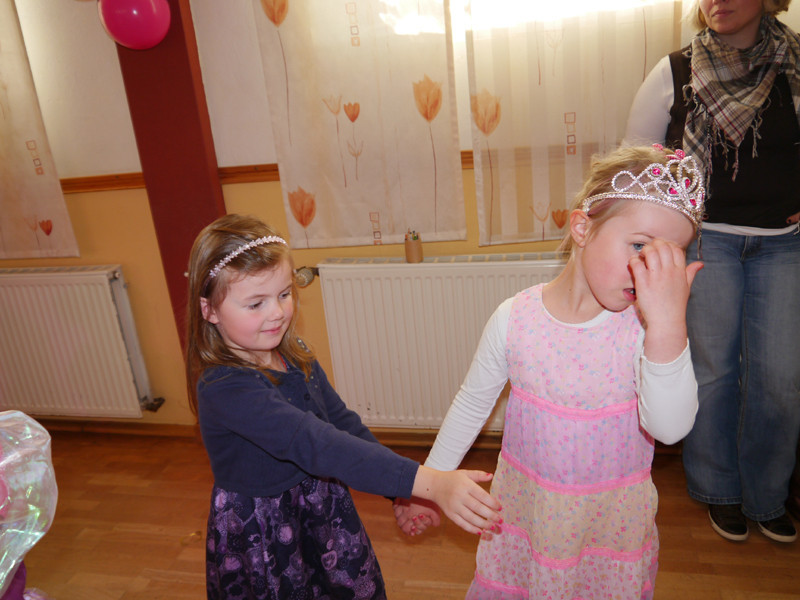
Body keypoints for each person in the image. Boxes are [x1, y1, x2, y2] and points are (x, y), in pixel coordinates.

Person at [395, 145, 703, 599]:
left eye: (670, 256)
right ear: (582, 228)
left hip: (609, 529)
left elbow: (671, 428)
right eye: (639, 246)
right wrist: (430, 485)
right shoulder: (514, 318)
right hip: (528, 519)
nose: (649, 271)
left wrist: (668, 326)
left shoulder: (650, 331)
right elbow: (472, 403)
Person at [184, 213, 502, 600]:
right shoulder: (224, 387)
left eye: (284, 294)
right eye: (256, 304)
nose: (277, 313)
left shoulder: (293, 354)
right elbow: (317, 443)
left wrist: (403, 493)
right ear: (209, 310)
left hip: (322, 511)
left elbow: (341, 424)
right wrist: (432, 484)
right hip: (263, 535)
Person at [624, 0, 800, 543]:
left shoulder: (794, 62)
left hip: (784, 245)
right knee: (713, 373)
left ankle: (767, 496)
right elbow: (638, 162)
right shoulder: (676, 71)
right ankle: (719, 490)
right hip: (706, 242)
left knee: (781, 380)